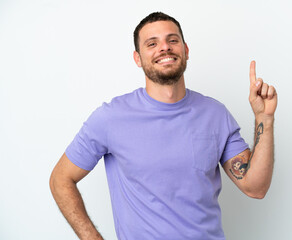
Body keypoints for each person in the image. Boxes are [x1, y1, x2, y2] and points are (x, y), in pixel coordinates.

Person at [49, 12, 277, 240]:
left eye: (173, 40)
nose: (164, 48)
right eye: (152, 43)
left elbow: (255, 187)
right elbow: (61, 179)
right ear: (137, 58)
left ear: (185, 51)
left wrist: (264, 118)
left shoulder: (215, 114)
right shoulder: (110, 118)